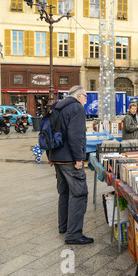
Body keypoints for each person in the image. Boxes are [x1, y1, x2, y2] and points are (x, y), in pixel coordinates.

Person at [48, 85, 93, 244]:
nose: (86, 100)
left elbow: (47, 132)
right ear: (80, 95)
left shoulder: (56, 107)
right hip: (70, 159)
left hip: (57, 157)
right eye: (86, 96)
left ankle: (64, 226)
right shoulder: (77, 108)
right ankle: (74, 234)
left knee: (64, 192)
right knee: (79, 194)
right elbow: (76, 136)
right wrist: (79, 158)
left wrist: (50, 155)